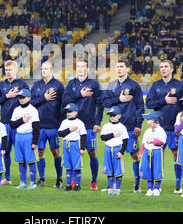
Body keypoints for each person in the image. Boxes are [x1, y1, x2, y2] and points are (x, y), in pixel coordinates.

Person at [102, 59, 144, 193]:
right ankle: (111, 184)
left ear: (127, 69)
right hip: (113, 127)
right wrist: (118, 100)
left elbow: (140, 106)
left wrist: (138, 125)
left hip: (130, 126)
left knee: (133, 155)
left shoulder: (134, 85)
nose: (119, 69)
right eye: (117, 67)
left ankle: (137, 183)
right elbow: (105, 102)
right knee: (113, 154)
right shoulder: (111, 84)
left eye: (121, 66)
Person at [145, 60, 183, 194]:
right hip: (159, 128)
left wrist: (181, 125)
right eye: (161, 67)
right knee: (157, 155)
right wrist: (164, 101)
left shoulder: (180, 86)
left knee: (176, 154)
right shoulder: (155, 85)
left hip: (174, 128)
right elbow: (149, 104)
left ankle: (178, 183)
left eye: (166, 67)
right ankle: (157, 184)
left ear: (172, 69)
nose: (163, 69)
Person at [62, 59, 103, 190]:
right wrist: (79, 94)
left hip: (89, 124)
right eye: (78, 66)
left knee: (91, 152)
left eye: (82, 67)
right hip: (72, 125)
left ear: (87, 69)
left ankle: (94, 181)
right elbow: (65, 100)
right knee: (73, 153)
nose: (80, 69)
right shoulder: (71, 84)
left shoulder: (94, 84)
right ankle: (73, 182)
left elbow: (100, 104)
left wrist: (98, 122)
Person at [0, 60, 29, 185]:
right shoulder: (1, 85)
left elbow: (29, 101)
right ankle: (7, 178)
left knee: (20, 152)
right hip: (4, 124)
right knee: (5, 151)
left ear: (16, 70)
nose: (8, 72)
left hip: (18, 124)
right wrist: (7, 96)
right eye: (6, 70)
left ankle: (23, 179)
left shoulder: (22, 84)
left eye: (10, 70)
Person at [31, 60, 64, 188]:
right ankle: (42, 178)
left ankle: (59, 179)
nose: (43, 71)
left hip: (54, 125)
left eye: (46, 69)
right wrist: (43, 98)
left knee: (55, 151)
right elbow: (31, 102)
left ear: (51, 70)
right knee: (40, 152)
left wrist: (61, 124)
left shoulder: (59, 86)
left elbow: (63, 105)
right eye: (42, 69)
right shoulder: (36, 85)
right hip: (39, 126)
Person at [9, 89, 40, 189]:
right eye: (20, 97)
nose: (21, 99)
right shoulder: (16, 110)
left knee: (31, 160)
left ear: (29, 98)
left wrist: (34, 141)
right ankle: (23, 182)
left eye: (23, 97)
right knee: (20, 160)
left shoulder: (33, 110)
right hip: (18, 136)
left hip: (28, 136)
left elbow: (36, 126)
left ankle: (33, 182)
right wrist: (22, 120)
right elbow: (12, 124)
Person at [57, 103, 87, 191]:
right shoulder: (64, 122)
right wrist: (69, 130)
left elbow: (83, 136)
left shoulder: (79, 123)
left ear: (76, 113)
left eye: (70, 111)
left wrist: (82, 148)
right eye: (67, 112)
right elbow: (60, 133)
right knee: (68, 165)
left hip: (75, 145)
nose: (68, 113)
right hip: (66, 144)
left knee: (76, 165)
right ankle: (69, 184)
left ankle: (77, 184)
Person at [100, 106, 129, 195]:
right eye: (110, 116)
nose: (112, 117)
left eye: (114, 115)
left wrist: (121, 152)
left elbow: (125, 140)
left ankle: (117, 188)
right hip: (108, 149)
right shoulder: (106, 126)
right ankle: (111, 188)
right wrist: (113, 135)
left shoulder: (122, 127)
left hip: (117, 149)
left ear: (119, 116)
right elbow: (102, 137)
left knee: (118, 170)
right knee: (109, 169)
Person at [139, 111, 167, 196]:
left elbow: (162, 142)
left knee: (157, 169)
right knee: (148, 170)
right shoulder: (147, 131)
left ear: (154, 121)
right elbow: (144, 143)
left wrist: (153, 141)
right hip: (147, 152)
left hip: (157, 152)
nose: (147, 121)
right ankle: (150, 188)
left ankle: (157, 188)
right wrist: (141, 153)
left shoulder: (160, 130)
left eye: (148, 119)